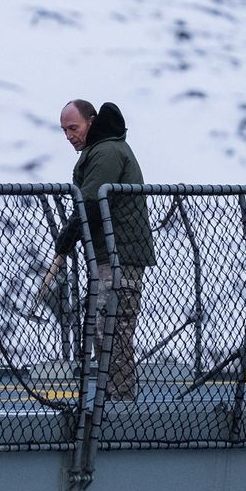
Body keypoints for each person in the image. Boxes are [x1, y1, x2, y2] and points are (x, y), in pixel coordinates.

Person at [51, 99, 153, 400]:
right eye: (64, 130)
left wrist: (67, 238)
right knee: (105, 326)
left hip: (119, 254)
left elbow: (92, 201)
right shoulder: (103, 149)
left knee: (112, 327)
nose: (69, 136)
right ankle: (114, 396)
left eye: (73, 128)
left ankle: (119, 399)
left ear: (91, 122)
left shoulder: (106, 152)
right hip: (111, 254)